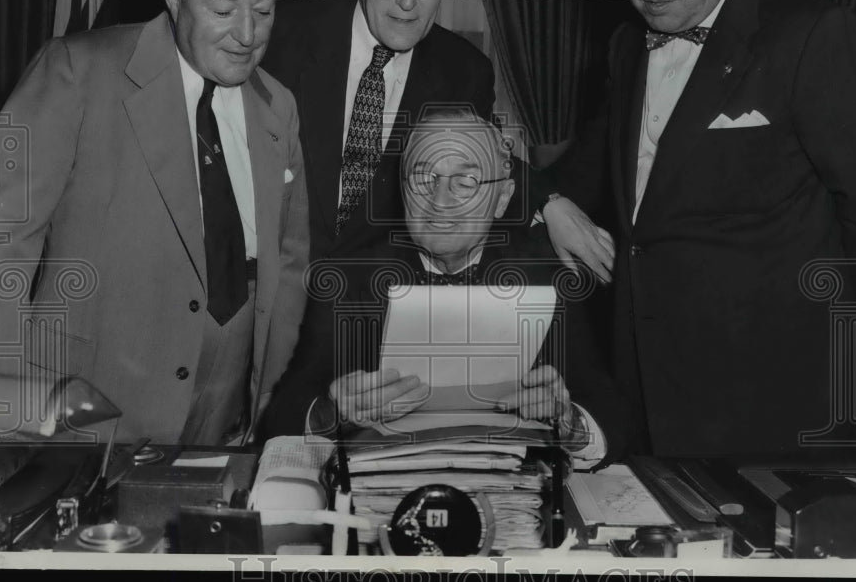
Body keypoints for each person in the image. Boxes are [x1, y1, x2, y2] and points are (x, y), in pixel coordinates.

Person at [548, 0, 856, 458]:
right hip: (645, 395)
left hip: (778, 404)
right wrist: (548, 201)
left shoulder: (815, 36)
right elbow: (586, 174)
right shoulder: (625, 46)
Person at [0, 0, 310, 445]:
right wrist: (12, 401)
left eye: (265, 9)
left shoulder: (279, 107)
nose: (248, 34)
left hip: (224, 418)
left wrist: (270, 398)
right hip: (84, 409)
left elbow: (290, 264)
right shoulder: (77, 71)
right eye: (223, 8)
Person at [259, 0, 611, 280]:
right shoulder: (280, 32)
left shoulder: (463, 70)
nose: (407, 1)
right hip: (268, 286)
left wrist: (550, 203)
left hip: (369, 294)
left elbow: (489, 155)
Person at [259, 108, 627, 465]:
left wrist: (569, 423)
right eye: (423, 179)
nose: (440, 201)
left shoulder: (547, 275)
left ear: (502, 199)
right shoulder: (351, 278)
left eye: (466, 182)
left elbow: (613, 417)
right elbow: (282, 416)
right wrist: (331, 411)